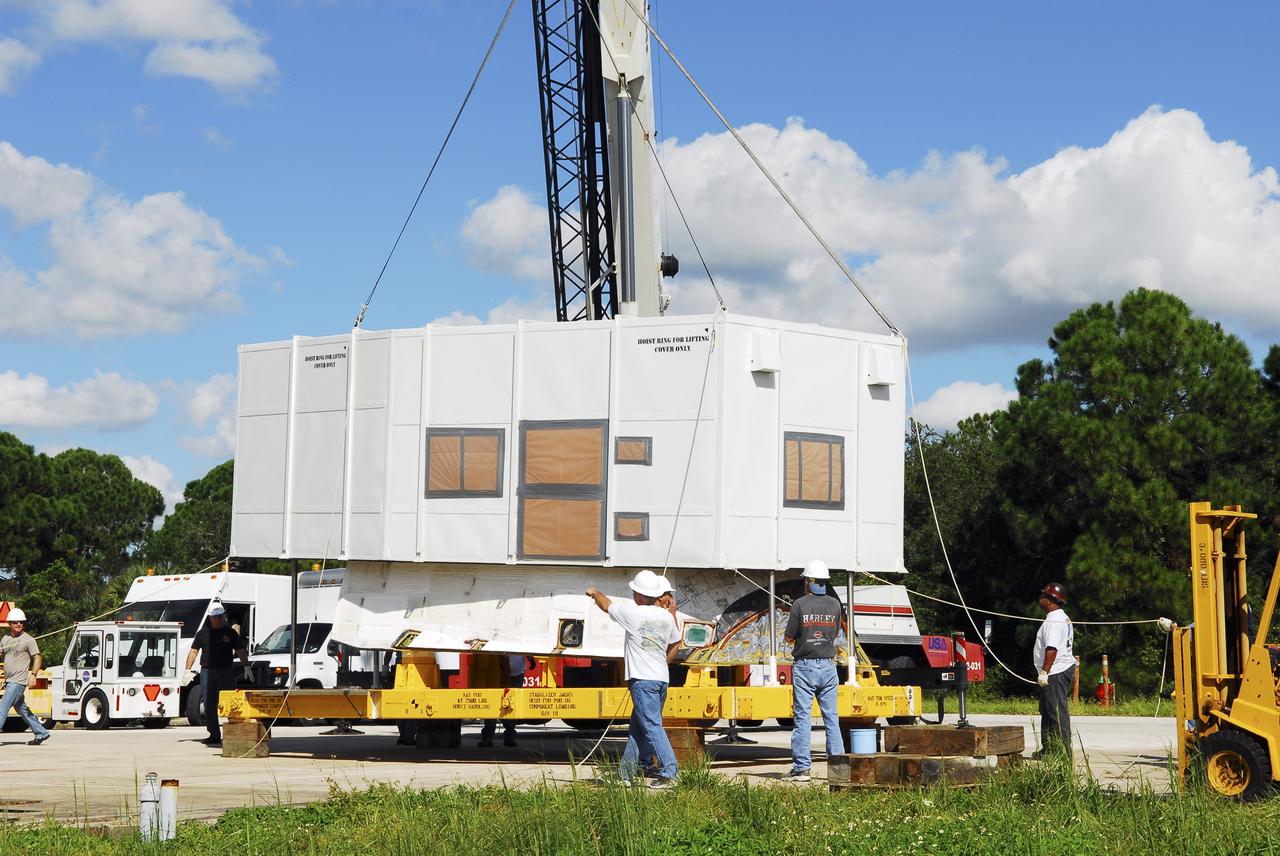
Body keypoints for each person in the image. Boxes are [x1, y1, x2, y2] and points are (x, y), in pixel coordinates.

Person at [586, 569, 681, 789]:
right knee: (639, 728)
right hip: (660, 680)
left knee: (652, 726)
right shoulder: (667, 616)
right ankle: (625, 774)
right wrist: (662, 663)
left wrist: (594, 591)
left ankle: (670, 772)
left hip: (642, 680)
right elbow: (676, 643)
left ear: (638, 595)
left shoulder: (633, 614)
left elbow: (606, 605)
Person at [782, 560, 846, 782]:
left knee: (802, 718)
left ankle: (801, 769)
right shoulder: (835, 605)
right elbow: (836, 632)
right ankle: (838, 770)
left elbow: (789, 636)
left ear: (808, 582)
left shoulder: (799, 605)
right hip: (828, 666)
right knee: (832, 719)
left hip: (805, 666)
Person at [185, 603, 252, 747]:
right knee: (209, 703)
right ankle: (214, 734)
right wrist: (187, 670)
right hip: (207, 671)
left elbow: (240, 650)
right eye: (215, 617)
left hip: (226, 670)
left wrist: (246, 666)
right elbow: (194, 651)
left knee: (231, 702)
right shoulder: (202, 633)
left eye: (220, 616)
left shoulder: (230, 633)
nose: (218, 619)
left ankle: (234, 732)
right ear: (210, 617)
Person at [1033, 582, 1075, 759]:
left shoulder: (1054, 621)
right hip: (1055, 670)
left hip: (1055, 671)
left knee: (1057, 711)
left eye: (1043, 595)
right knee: (1047, 710)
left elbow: (1052, 648)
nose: (1040, 598)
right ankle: (1048, 749)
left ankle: (1063, 752)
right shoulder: (1060, 617)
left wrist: (1044, 672)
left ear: (1051, 600)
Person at [0, 608, 51, 745]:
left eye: (21, 622)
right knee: (21, 709)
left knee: (2, 708)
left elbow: (38, 658)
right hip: (9, 680)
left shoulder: (28, 640)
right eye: (15, 622)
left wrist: (33, 675)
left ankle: (41, 732)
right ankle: (41, 732)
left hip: (18, 682)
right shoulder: (5, 639)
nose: (18, 624)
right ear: (9, 623)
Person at [479, 654, 528, 748]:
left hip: (508, 673)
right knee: (503, 705)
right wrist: (531, 659)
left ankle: (492, 737)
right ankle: (505, 737)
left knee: (501, 706)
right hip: (506, 672)